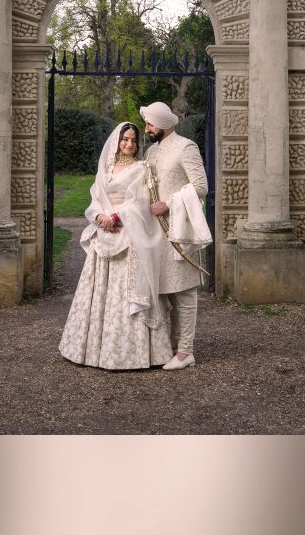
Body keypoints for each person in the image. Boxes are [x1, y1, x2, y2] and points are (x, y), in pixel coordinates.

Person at [59, 122, 174, 370]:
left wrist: (116, 218)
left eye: (134, 140)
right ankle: (92, 350)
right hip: (104, 234)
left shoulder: (142, 168)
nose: (130, 144)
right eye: (125, 139)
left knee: (127, 291)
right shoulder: (107, 168)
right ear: (117, 141)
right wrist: (100, 217)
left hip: (128, 234)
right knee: (99, 291)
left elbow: (141, 202)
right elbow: (96, 197)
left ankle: (133, 354)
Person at [140, 101, 210, 370]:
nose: (147, 128)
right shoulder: (150, 151)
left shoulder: (186, 147)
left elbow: (201, 186)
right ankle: (167, 346)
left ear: (164, 124)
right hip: (154, 232)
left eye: (150, 123)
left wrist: (169, 203)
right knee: (162, 292)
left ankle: (185, 352)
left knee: (184, 292)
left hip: (179, 229)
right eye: (147, 123)